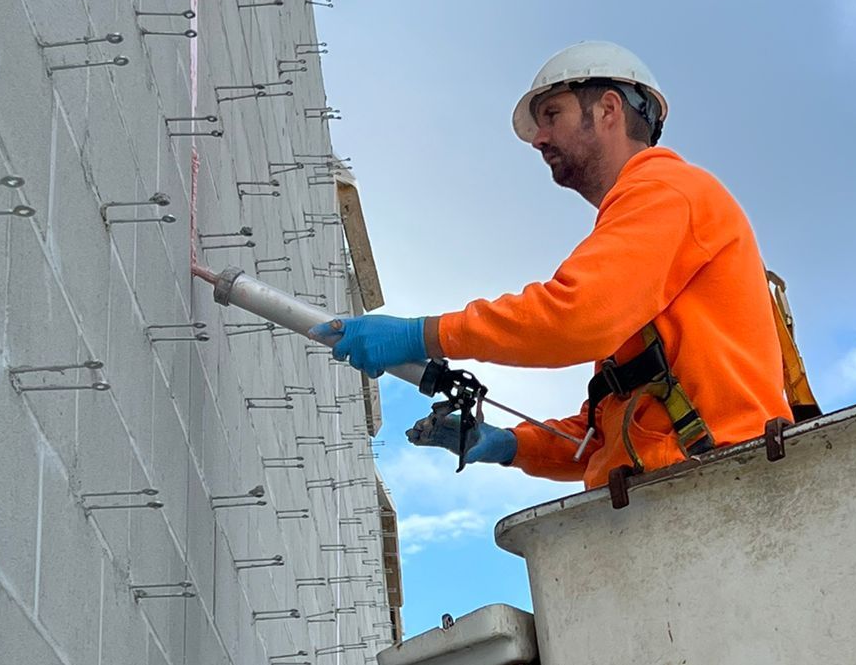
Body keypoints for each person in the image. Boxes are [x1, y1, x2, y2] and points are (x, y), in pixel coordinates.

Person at [319, 42, 796, 489]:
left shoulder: (666, 192)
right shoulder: (651, 218)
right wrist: (511, 445)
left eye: (552, 115)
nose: (539, 139)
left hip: (719, 483)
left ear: (608, 110)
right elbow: (605, 430)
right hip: (692, 489)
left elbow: (574, 315)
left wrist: (422, 334)